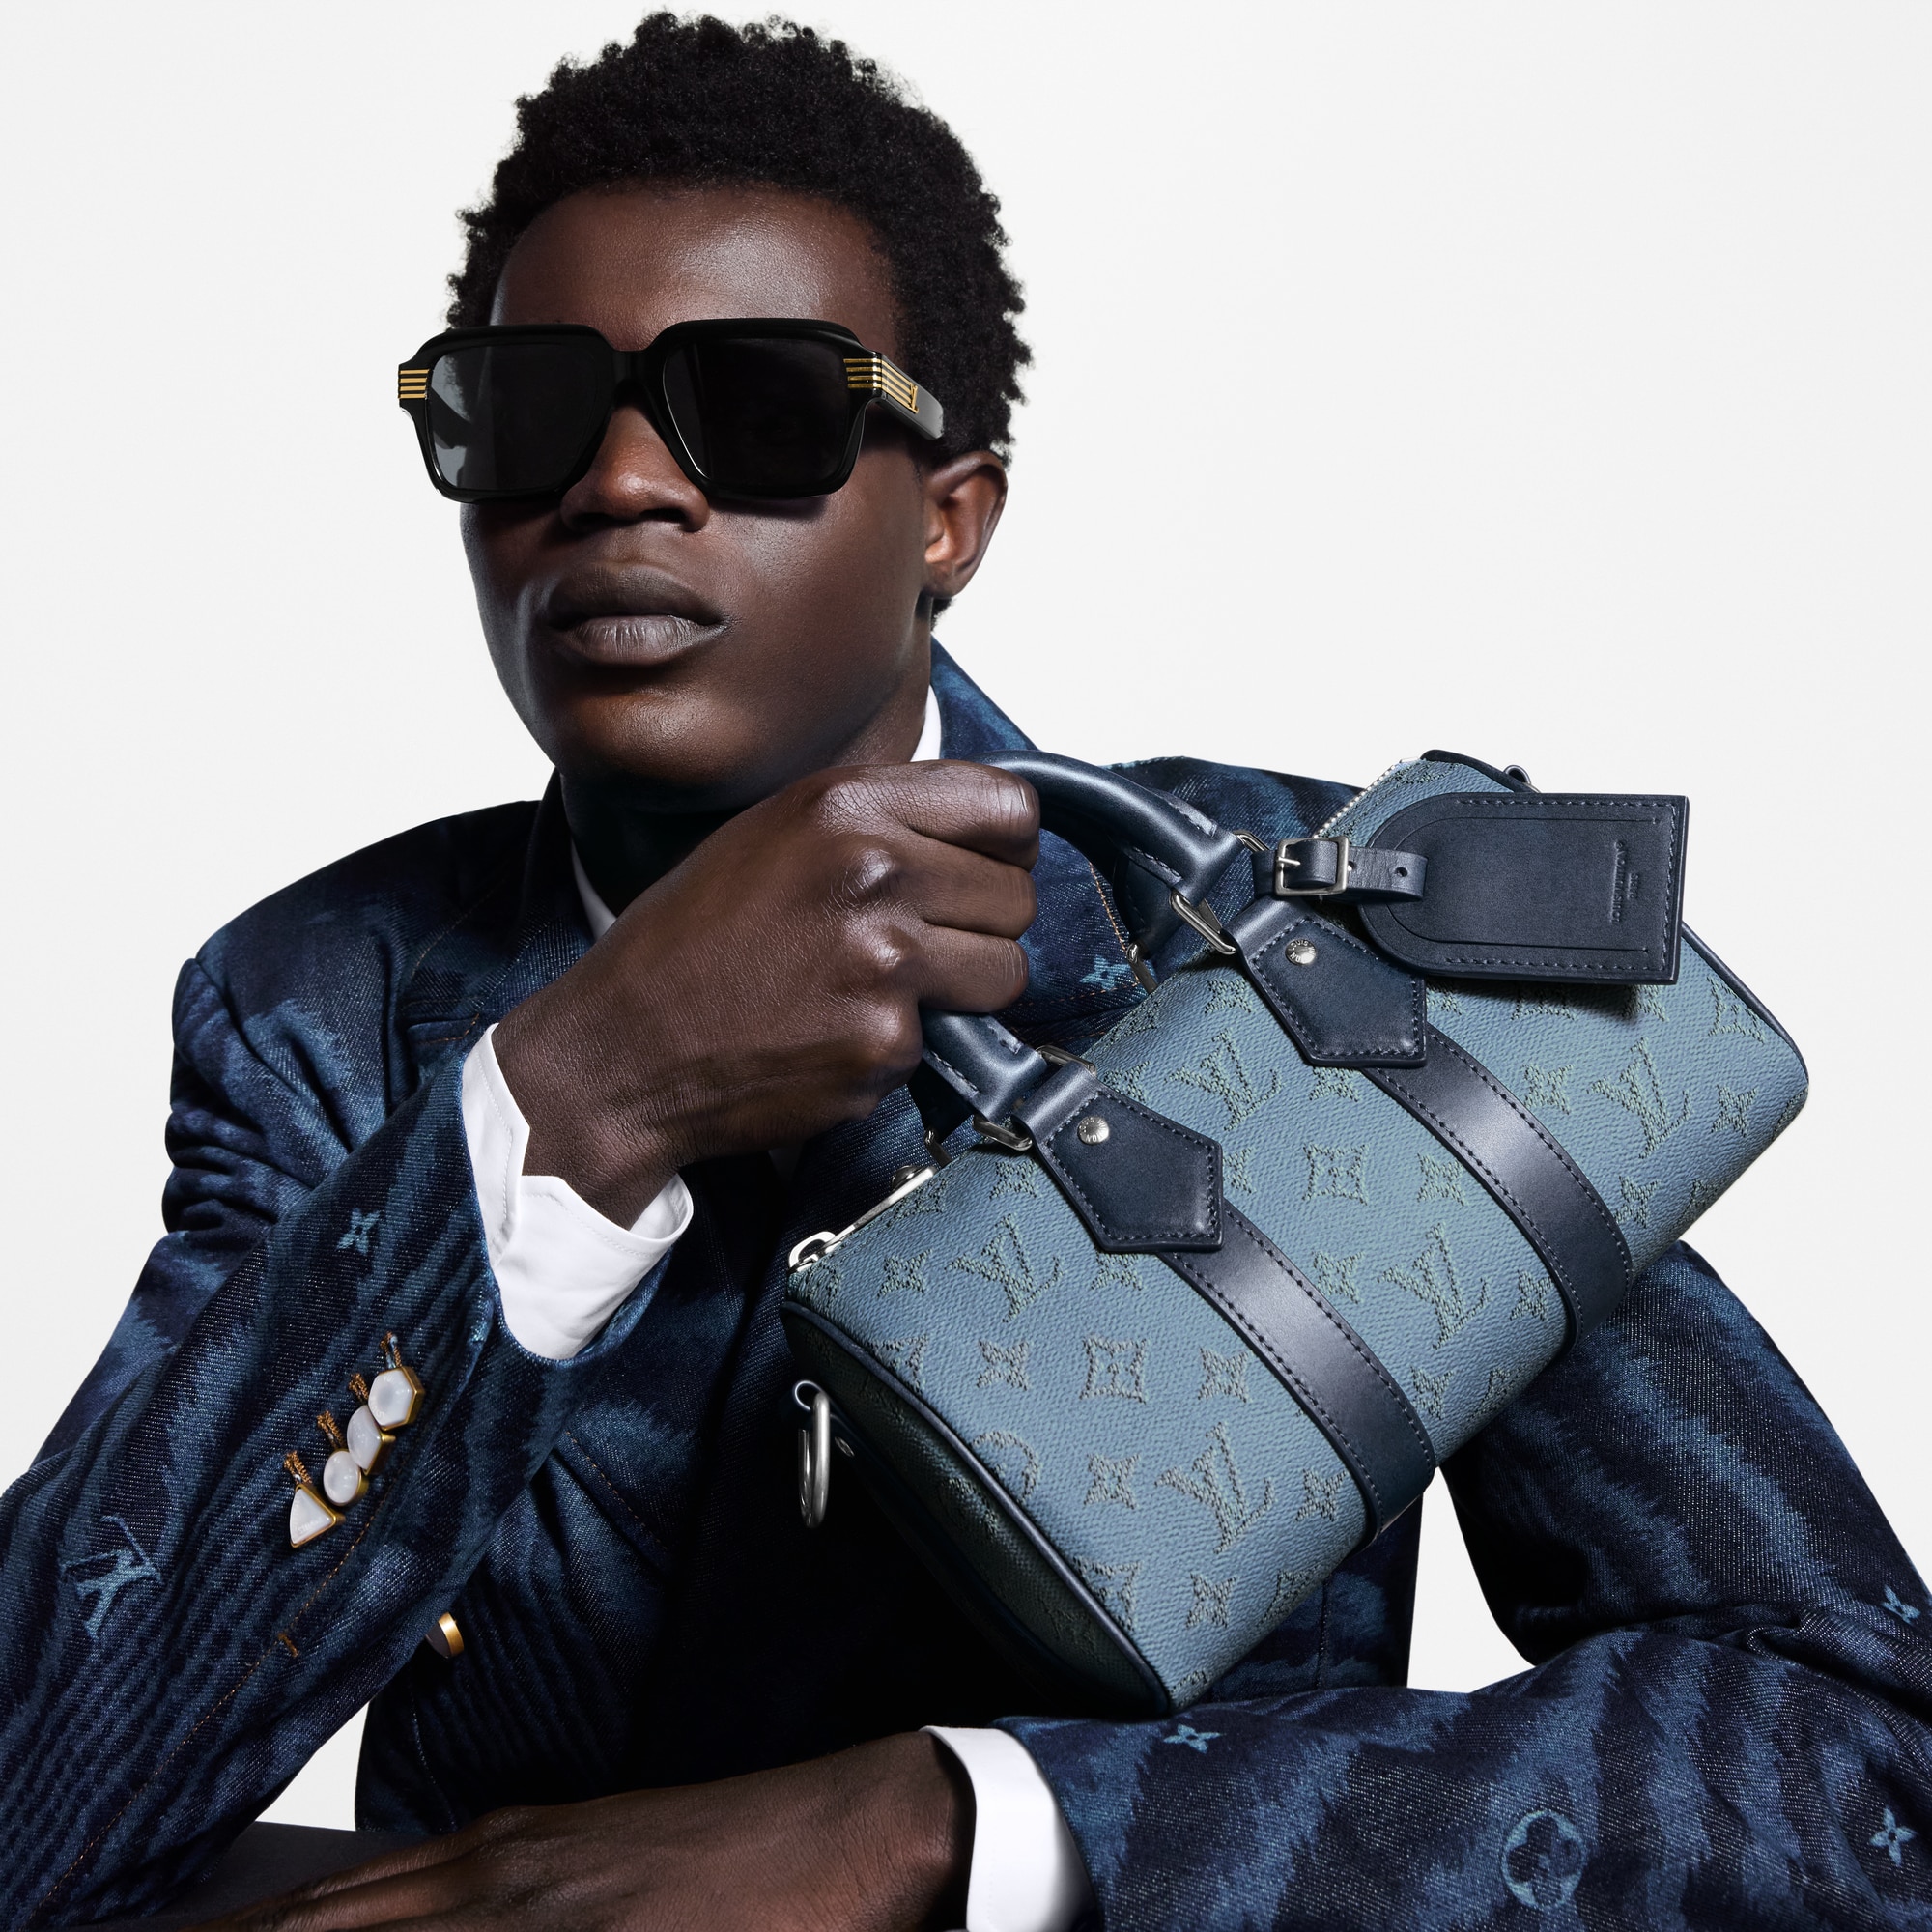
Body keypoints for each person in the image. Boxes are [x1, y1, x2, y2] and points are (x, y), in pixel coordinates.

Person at [2, 14, 1927, 1930]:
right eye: (525, 409)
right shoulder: (320, 1007)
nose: (619, 485)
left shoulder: (1325, 949)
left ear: (948, 515)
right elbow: (34, 1804)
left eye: (757, 407)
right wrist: (578, 1091)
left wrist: (961, 1824)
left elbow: (1852, 1750)